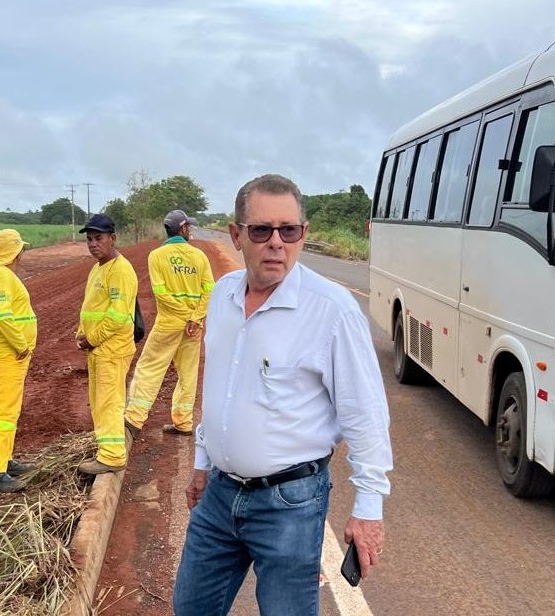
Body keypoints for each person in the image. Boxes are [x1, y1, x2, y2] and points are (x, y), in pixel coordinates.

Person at [173, 174, 393, 615]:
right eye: (261, 230)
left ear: (302, 235)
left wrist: (368, 508)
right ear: (236, 236)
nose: (276, 242)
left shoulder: (331, 309)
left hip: (288, 504)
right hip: (218, 495)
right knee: (191, 607)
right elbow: (218, 388)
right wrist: (201, 462)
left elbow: (365, 414)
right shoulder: (222, 297)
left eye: (288, 230)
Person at [124, 209, 215, 439]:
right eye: (189, 227)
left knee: (149, 369)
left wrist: (185, 316)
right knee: (188, 373)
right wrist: (194, 318)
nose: (191, 231)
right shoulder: (199, 257)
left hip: (169, 323)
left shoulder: (156, 256)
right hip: (192, 327)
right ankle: (183, 422)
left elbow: (161, 293)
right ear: (182, 229)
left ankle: (133, 420)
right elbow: (209, 291)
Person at [76, 213, 139, 474]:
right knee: (101, 401)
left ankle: (112, 456)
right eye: (89, 239)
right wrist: (81, 331)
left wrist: (91, 338)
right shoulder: (98, 268)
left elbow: (118, 317)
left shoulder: (121, 271)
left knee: (109, 402)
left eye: (98, 238)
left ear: (112, 238)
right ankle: (106, 448)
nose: (93, 244)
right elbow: (94, 306)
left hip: (111, 350)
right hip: (100, 349)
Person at [0, 229, 38, 493]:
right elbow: (2, 317)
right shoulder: (3, 276)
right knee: (4, 412)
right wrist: (21, 346)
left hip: (7, 353)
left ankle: (5, 460)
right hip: (8, 354)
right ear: (16, 251)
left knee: (10, 410)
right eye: (21, 249)